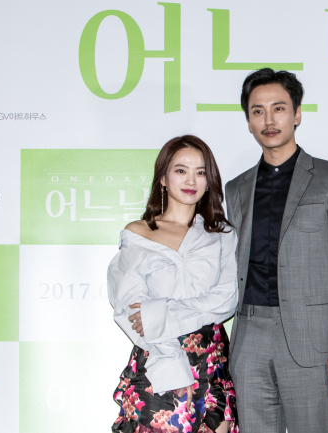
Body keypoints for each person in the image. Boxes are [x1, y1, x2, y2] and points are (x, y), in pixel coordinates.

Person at [225, 68, 328, 433]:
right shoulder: (236, 189)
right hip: (249, 337)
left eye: (279, 108)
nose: (269, 120)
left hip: (312, 342)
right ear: (249, 122)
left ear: (297, 114)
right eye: (257, 111)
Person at [108, 135, 239, 433]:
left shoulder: (221, 234)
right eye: (181, 170)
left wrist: (159, 313)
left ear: (209, 180)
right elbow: (129, 309)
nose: (191, 179)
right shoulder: (138, 234)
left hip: (211, 362)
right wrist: (171, 364)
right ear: (164, 178)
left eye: (201, 172)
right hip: (159, 356)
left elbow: (226, 300)